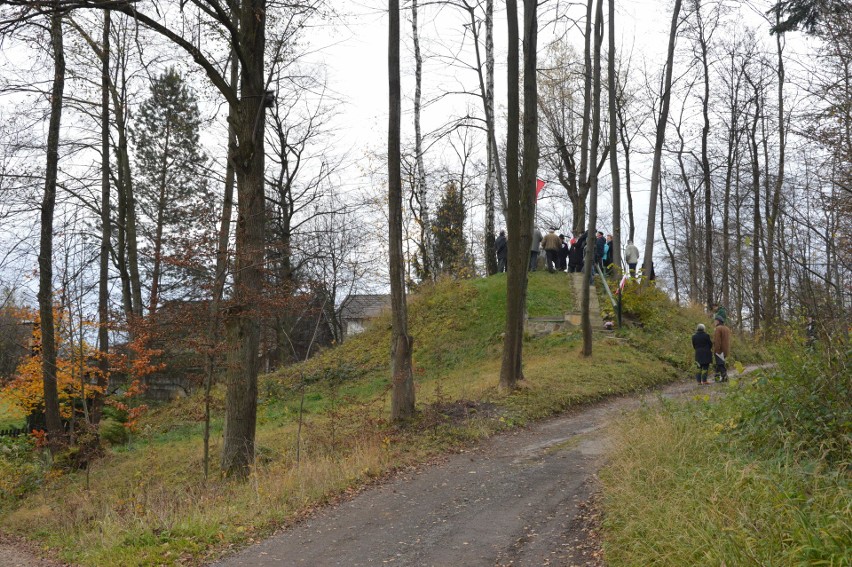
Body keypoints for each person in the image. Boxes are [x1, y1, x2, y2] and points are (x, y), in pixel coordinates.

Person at [712, 318, 731, 382]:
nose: (714, 322)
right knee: (719, 364)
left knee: (720, 364)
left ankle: (725, 376)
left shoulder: (718, 328)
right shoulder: (727, 329)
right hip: (725, 349)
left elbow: (717, 340)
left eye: (715, 321)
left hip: (719, 350)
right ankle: (717, 377)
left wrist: (716, 350)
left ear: (718, 321)